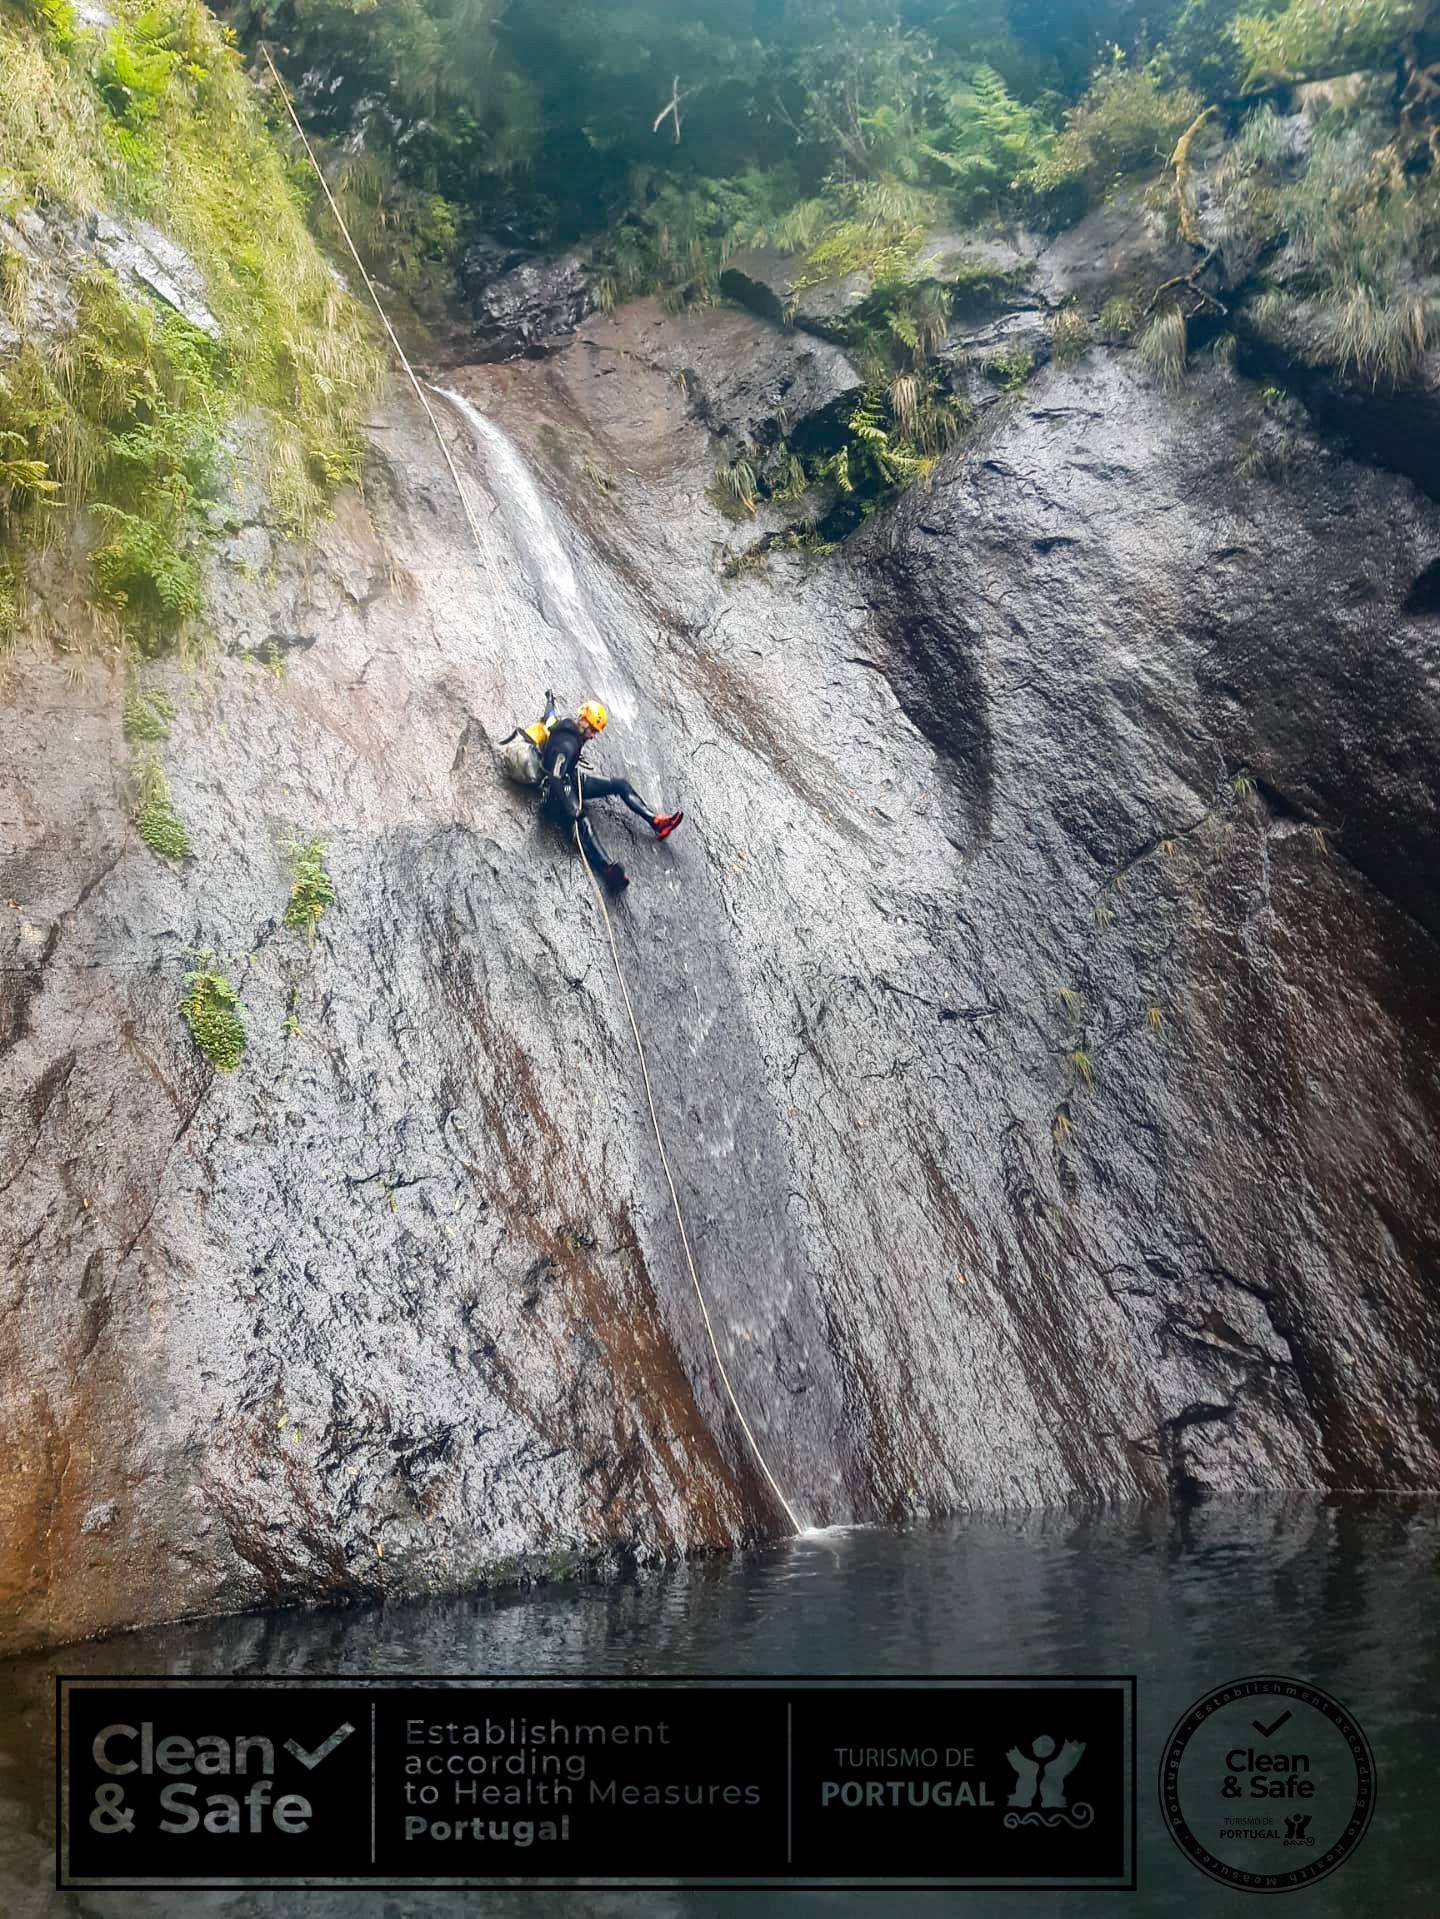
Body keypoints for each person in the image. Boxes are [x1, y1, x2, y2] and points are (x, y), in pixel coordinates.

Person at [526, 691, 683, 893]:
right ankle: (608, 869)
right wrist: (572, 808)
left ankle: (656, 821)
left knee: (620, 785)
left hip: (570, 778)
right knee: (582, 821)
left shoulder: (563, 725)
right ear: (583, 722)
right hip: (555, 793)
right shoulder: (567, 744)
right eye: (592, 730)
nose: (593, 736)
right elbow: (555, 777)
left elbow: (549, 716)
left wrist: (549, 699)